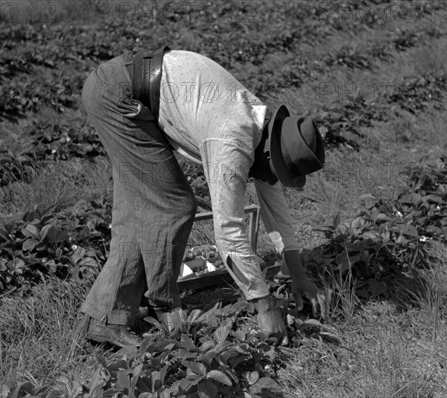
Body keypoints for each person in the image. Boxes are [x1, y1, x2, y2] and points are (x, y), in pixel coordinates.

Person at [80, 47, 325, 348]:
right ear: (270, 153)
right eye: (278, 172)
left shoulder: (261, 129)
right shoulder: (232, 139)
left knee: (139, 207)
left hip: (125, 86)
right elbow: (229, 233)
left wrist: (297, 273)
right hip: (120, 96)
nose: (274, 180)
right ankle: (165, 309)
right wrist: (265, 305)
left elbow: (277, 212)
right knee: (172, 205)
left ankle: (107, 318)